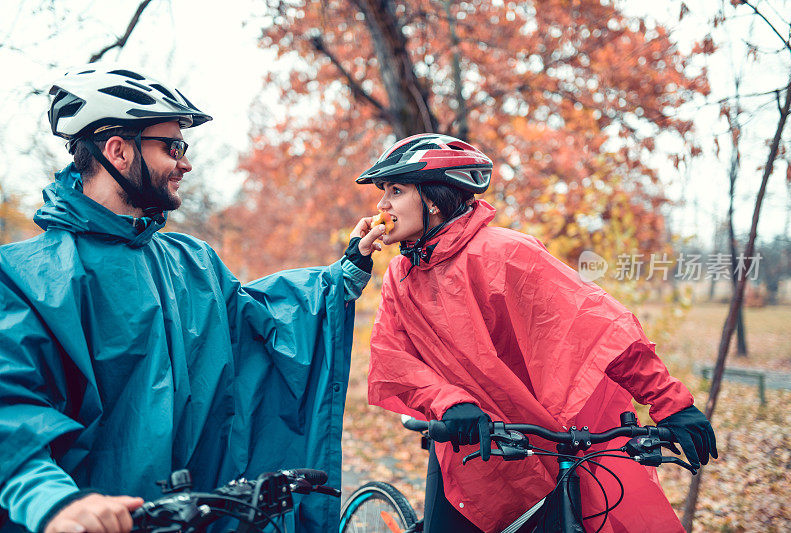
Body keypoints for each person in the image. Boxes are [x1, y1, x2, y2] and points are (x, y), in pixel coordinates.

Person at [0, 66, 385, 533]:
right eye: (172, 146)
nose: (185, 163)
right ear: (117, 151)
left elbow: (261, 327)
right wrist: (49, 500)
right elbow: (11, 404)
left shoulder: (192, 261)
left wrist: (343, 274)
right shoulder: (25, 276)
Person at [358, 133, 717, 532]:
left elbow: (600, 331)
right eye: (382, 192)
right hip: (466, 446)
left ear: (434, 200)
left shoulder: (507, 254)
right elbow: (393, 359)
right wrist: (450, 402)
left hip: (543, 444)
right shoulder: (400, 275)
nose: (381, 205)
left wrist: (672, 403)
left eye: (395, 190)